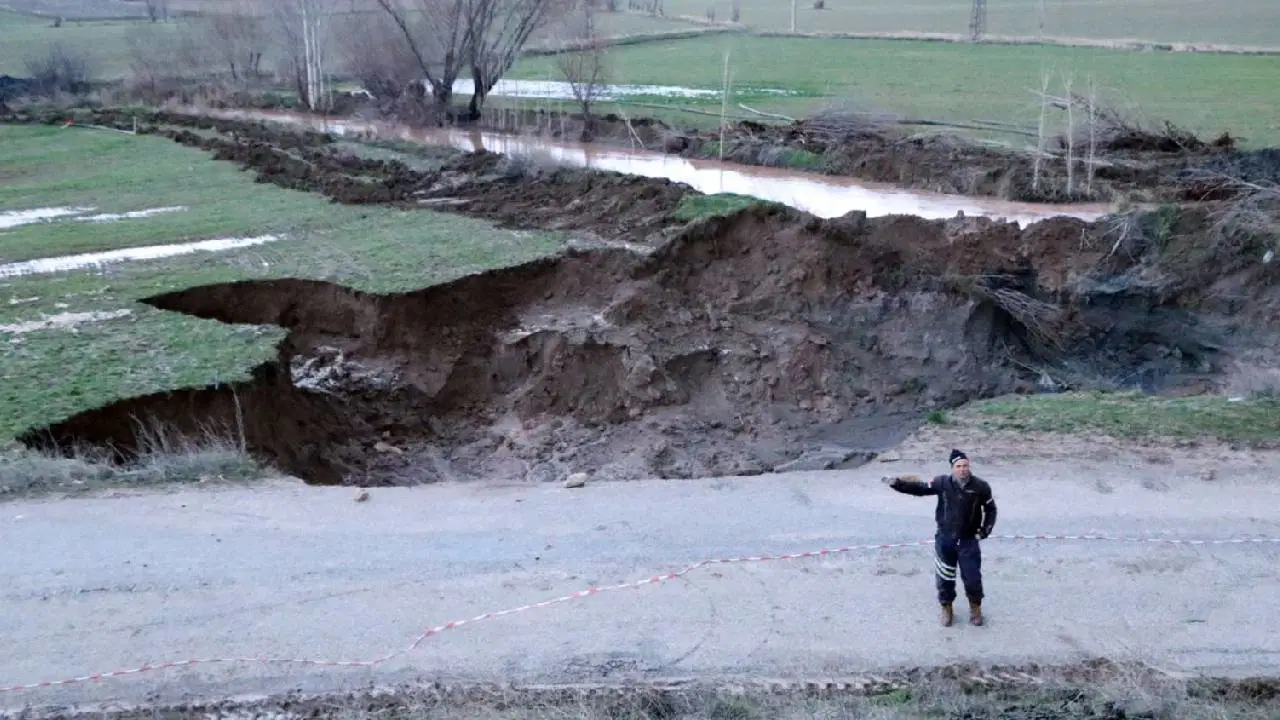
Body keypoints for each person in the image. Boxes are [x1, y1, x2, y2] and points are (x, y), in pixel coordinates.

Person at [884, 449, 997, 627]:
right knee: (945, 578)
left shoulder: (980, 486)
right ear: (952, 468)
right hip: (945, 540)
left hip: (968, 540)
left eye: (965, 466)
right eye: (958, 466)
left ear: (969, 466)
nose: (962, 469)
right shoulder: (942, 482)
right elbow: (921, 489)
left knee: (973, 578)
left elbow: (991, 510)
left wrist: (985, 531)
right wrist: (897, 484)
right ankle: (946, 608)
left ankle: (975, 608)